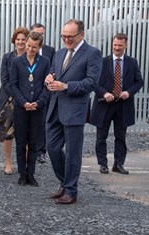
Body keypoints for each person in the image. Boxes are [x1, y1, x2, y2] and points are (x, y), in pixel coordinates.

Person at [44, 19, 102, 204]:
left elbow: (92, 82)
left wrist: (66, 86)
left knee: (73, 152)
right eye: (64, 36)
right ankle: (64, 182)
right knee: (52, 148)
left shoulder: (92, 53)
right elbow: (54, 72)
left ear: (81, 34)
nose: (66, 40)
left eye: (70, 36)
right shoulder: (60, 53)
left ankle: (71, 190)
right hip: (55, 108)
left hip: (75, 110)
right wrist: (50, 77)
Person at [90, 33, 144, 175]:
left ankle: (118, 164)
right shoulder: (102, 62)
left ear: (125, 45)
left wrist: (129, 92)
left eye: (120, 45)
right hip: (104, 104)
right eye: (115, 45)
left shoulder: (132, 62)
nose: (117, 48)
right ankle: (103, 164)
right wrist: (104, 93)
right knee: (101, 137)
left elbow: (139, 82)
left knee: (121, 137)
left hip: (123, 105)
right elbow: (93, 81)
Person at [9, 31, 50, 186]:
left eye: (34, 47)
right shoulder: (17, 61)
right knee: (21, 141)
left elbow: (47, 85)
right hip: (21, 108)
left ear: (40, 47)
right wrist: (23, 102)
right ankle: (22, 173)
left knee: (33, 142)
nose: (30, 49)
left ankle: (31, 173)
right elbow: (13, 84)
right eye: (28, 46)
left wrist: (39, 102)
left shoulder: (45, 62)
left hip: (38, 109)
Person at [0, 27, 29, 175]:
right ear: (14, 41)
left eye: (23, 39)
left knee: (26, 134)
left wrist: (23, 98)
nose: (20, 42)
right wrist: (17, 96)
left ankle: (26, 165)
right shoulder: (7, 57)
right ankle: (8, 163)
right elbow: (4, 79)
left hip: (26, 101)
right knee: (7, 134)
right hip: (8, 100)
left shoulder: (31, 57)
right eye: (18, 39)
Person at [30, 23, 56, 164]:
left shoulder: (50, 51)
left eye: (42, 33)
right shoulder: (27, 49)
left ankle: (41, 151)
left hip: (45, 92)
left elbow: (53, 68)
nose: (40, 35)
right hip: (29, 92)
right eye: (37, 33)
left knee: (43, 122)